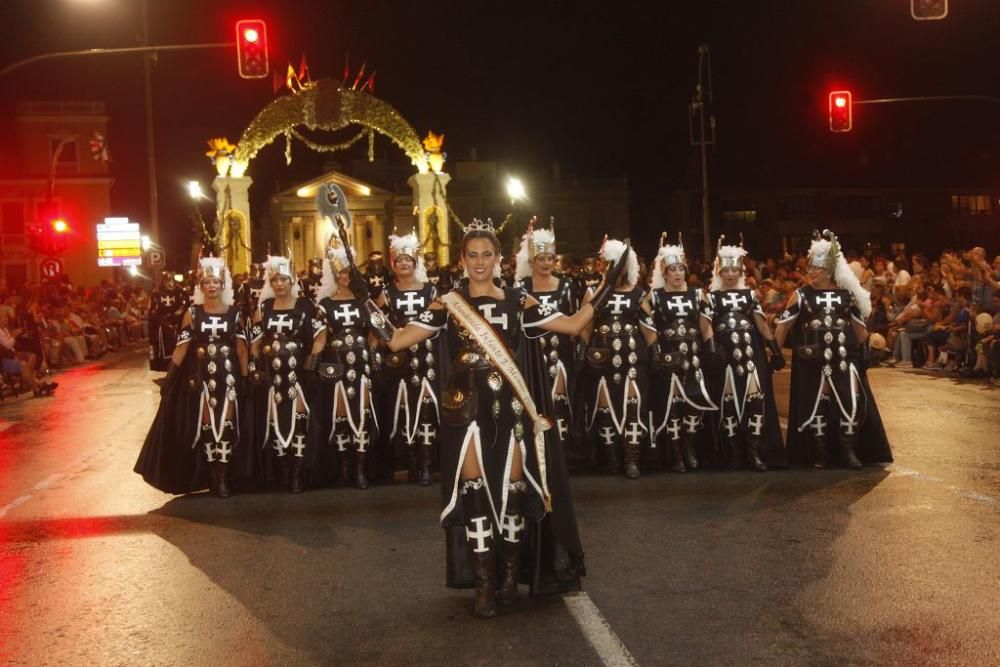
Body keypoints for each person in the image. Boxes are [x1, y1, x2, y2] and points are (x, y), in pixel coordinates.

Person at [372, 219, 622, 619]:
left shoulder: (518, 301)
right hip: (467, 411)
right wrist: (370, 311)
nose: (480, 262)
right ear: (462, 259)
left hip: (511, 408)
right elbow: (397, 340)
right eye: (472, 255)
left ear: (499, 259)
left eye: (487, 254)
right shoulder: (448, 302)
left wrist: (604, 291)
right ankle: (484, 585)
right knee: (474, 494)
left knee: (512, 493)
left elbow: (573, 326)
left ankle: (508, 576)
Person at [134, 257, 251, 498]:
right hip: (201, 379)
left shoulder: (235, 313)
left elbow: (241, 349)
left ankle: (225, 475)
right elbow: (181, 347)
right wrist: (170, 377)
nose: (211, 286)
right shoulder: (193, 313)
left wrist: (246, 377)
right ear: (201, 286)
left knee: (226, 426)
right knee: (207, 426)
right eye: (207, 281)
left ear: (222, 285)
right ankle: (214, 477)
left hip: (228, 378)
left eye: (215, 281)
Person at [775, 230, 893, 468]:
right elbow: (783, 328)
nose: (810, 274)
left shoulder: (846, 296)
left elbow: (860, 332)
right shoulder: (800, 296)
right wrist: (773, 353)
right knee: (815, 403)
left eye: (815, 270)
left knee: (851, 401)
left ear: (829, 271)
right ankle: (820, 453)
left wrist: (870, 351)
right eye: (809, 269)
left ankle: (847, 449)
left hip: (842, 359)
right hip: (811, 361)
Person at [703, 236, 785, 471]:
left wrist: (775, 350)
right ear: (719, 272)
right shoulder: (712, 297)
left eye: (734, 270)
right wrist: (711, 349)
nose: (730, 274)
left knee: (754, 403)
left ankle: (754, 453)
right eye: (726, 270)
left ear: (740, 271)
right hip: (725, 359)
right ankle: (733, 454)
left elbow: (760, 324)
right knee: (727, 404)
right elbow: (706, 324)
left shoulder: (750, 296)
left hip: (751, 357)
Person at [640, 234, 718, 473]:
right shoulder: (654, 296)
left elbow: (705, 324)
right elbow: (644, 320)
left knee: (693, 408)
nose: (677, 273)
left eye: (680, 269)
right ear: (664, 272)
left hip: (693, 360)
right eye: (672, 269)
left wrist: (711, 349)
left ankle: (690, 448)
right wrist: (653, 350)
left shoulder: (698, 294)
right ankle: (675, 455)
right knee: (672, 409)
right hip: (668, 360)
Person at [309, 237, 380, 489]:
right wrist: (313, 362)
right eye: (341, 273)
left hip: (361, 365)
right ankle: (344, 469)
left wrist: (373, 356)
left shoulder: (364, 302)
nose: (346, 277)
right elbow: (320, 338)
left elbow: (374, 332)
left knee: (362, 414)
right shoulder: (325, 304)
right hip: (336, 363)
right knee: (340, 416)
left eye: (349, 272)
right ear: (334, 275)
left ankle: (360, 470)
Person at [578, 237, 651, 479]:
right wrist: (581, 346)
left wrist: (656, 350)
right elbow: (586, 323)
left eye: (617, 266)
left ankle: (632, 461)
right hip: (601, 357)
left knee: (633, 408)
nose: (614, 271)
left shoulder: (639, 293)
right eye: (610, 265)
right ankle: (611, 460)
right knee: (604, 409)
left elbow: (648, 326)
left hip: (632, 359)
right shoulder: (594, 292)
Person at [374, 231, 440, 485]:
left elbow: (440, 321)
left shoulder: (431, 290)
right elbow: (377, 326)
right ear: (394, 265)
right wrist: (378, 351)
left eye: (408, 260)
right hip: (398, 360)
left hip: (425, 358)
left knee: (425, 410)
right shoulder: (386, 293)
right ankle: (411, 461)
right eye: (399, 261)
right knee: (403, 410)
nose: (404, 264)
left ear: (415, 264)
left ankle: (425, 465)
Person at [249, 254, 317, 493]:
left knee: (298, 421)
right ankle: (282, 472)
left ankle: (297, 474)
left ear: (292, 280)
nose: (279, 284)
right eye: (275, 279)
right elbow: (255, 343)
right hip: (271, 376)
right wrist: (256, 368)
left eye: (283, 279)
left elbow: (319, 336)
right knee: (274, 421)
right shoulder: (263, 308)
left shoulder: (305, 305)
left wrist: (311, 363)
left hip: (298, 375)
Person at [515, 220, 578, 466]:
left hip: (558, 354)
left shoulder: (566, 286)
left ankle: (559, 456)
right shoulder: (520, 288)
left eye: (550, 258)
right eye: (540, 258)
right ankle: (537, 456)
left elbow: (573, 320)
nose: (546, 263)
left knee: (558, 401)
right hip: (530, 353)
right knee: (534, 404)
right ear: (531, 261)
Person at [148, 272, 187, 372]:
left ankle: (177, 364)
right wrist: (161, 319)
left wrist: (175, 316)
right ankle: (164, 365)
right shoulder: (156, 293)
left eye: (172, 281)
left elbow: (183, 306)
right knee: (164, 344)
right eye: (168, 281)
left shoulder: (179, 291)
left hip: (176, 322)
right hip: (162, 324)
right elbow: (153, 310)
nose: (170, 284)